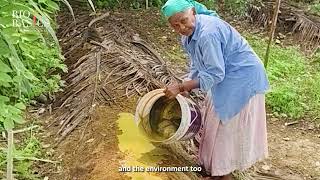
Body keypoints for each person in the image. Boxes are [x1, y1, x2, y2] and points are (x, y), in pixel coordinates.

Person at [161, 0, 269, 179]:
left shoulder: (207, 34)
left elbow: (216, 73)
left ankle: (223, 174)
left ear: (193, 12)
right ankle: (215, 169)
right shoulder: (187, 37)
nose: (181, 27)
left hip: (242, 77)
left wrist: (181, 87)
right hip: (228, 77)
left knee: (225, 128)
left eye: (184, 20)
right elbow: (197, 62)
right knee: (213, 122)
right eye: (175, 25)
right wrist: (188, 81)